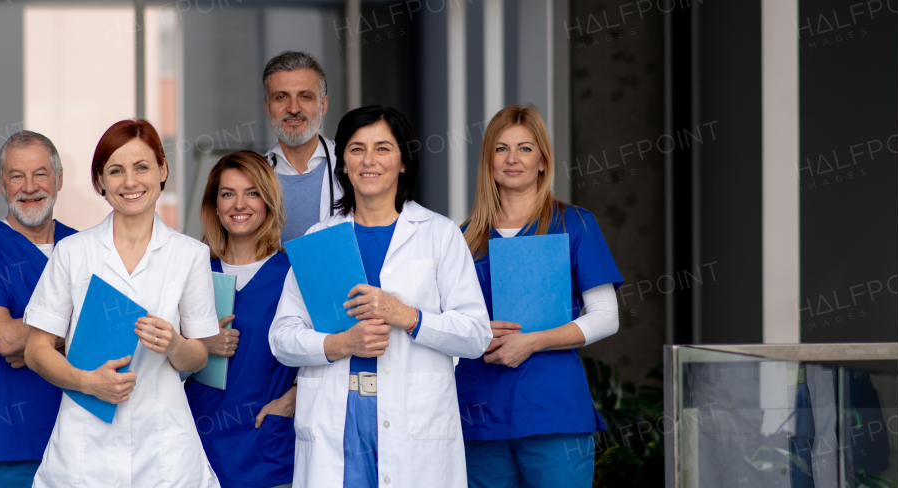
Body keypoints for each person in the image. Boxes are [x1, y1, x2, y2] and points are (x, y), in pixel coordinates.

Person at [270, 106, 491, 488]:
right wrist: (341, 343)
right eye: (356, 149)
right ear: (342, 165)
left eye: (383, 148)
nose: (368, 160)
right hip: (337, 416)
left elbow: (475, 335)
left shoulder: (439, 234)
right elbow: (283, 337)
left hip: (414, 417)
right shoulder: (319, 240)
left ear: (403, 161)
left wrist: (408, 316)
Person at [21, 119, 221, 487]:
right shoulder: (72, 253)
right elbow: (36, 350)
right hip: (85, 442)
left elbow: (199, 356)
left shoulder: (190, 255)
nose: (130, 182)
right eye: (116, 170)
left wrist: (174, 343)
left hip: (164, 446)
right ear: (100, 181)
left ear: (163, 170)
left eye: (142, 167)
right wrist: (86, 382)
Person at [455, 105, 624, 488]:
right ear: (488, 161)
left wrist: (532, 342)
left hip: (553, 412)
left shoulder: (575, 224)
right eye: (501, 149)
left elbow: (605, 316)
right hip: (480, 414)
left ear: (544, 161)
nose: (512, 159)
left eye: (525, 148)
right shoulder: (461, 238)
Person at [0, 130, 78, 487]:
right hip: (9, 444)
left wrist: (38, 344)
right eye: (16, 175)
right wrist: (74, 331)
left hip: (81, 437)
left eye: (40, 173)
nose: (29, 186)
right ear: (0, 183)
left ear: (59, 179)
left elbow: (116, 332)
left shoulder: (84, 248)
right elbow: (5, 338)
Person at [184, 150, 297, 488]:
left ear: (268, 202)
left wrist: (295, 397)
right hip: (197, 443)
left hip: (266, 445)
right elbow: (158, 357)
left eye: (252, 193)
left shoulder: (294, 273)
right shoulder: (193, 272)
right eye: (228, 194)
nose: (239, 204)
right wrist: (200, 345)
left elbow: (333, 349)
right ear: (214, 206)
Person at [261, 51, 343, 242]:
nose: (294, 109)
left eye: (305, 96)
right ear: (266, 106)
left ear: (323, 105)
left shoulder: (351, 168)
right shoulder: (253, 176)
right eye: (281, 97)